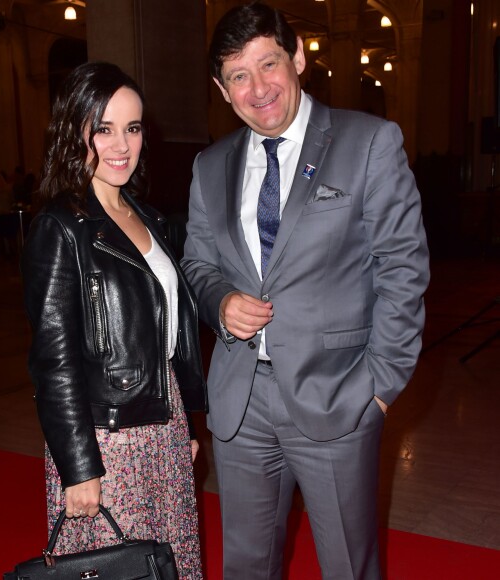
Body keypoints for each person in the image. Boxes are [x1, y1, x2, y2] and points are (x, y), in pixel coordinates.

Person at [181, 3, 430, 579]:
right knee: (246, 566)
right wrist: (219, 301)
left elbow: (403, 267)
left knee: (347, 565)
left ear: (297, 58)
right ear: (222, 89)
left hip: (338, 398)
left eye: (268, 64)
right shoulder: (209, 166)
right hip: (241, 405)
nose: (258, 87)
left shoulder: (368, 142)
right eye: (238, 75)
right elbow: (197, 263)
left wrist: (381, 389)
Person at [21, 61, 207, 579]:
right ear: (72, 131)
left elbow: (167, 332)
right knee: (121, 567)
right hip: (107, 441)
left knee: (169, 562)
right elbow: (52, 361)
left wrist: (184, 418)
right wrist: (79, 468)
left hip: (162, 426)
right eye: (102, 129)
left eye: (132, 127)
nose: (121, 144)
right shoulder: (58, 228)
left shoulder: (145, 215)